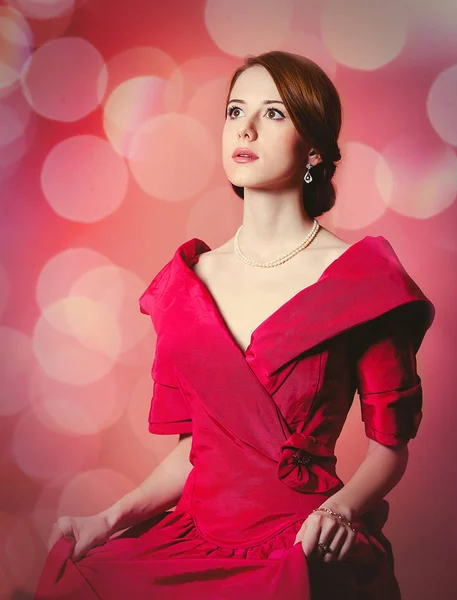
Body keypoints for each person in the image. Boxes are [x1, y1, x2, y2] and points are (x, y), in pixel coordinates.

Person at [34, 50, 435, 600]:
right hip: (195, 538)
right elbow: (196, 451)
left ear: (313, 147)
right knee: (76, 584)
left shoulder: (364, 281)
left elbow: (390, 449)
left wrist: (339, 514)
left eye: (273, 113)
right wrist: (106, 519)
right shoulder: (186, 285)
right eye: (234, 110)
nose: (243, 128)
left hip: (302, 538)